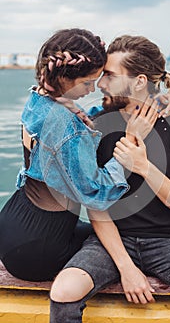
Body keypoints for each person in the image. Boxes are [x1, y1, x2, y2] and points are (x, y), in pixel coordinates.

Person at [50, 35, 170, 323]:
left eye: (110, 76)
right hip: (110, 242)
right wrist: (127, 268)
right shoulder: (95, 127)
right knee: (64, 290)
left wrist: (144, 166)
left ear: (139, 81)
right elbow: (95, 206)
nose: (100, 84)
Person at [0, 28, 131, 282]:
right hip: (39, 249)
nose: (92, 88)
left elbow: (76, 121)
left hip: (14, 224)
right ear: (62, 76)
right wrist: (128, 152)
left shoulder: (40, 97)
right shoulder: (64, 123)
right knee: (127, 245)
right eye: (86, 82)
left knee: (106, 236)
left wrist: (118, 108)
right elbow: (96, 192)